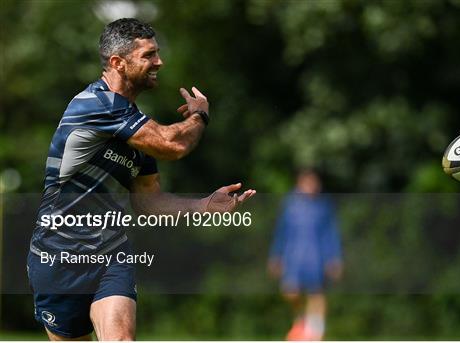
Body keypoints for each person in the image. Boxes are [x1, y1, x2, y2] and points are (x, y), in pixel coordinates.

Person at [27, 18, 255, 340]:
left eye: (157, 53)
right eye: (148, 55)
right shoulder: (95, 105)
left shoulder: (136, 131)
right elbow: (173, 144)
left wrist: (204, 206)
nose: (159, 62)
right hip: (58, 254)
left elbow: (148, 201)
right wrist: (199, 114)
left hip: (111, 255)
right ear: (118, 63)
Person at [268, 170, 342, 341]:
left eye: (314, 182)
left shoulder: (323, 206)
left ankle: (316, 331)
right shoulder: (291, 204)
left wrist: (334, 258)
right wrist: (276, 255)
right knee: (290, 291)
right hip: (293, 256)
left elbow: (331, 233)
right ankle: (300, 322)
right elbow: (282, 232)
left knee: (316, 292)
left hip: (317, 255)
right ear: (300, 184)